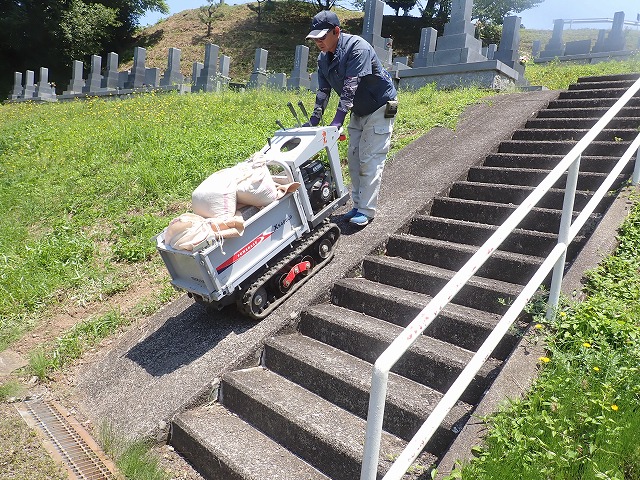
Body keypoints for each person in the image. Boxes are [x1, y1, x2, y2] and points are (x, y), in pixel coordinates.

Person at [305, 10, 398, 227]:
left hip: (380, 106)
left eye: (322, 37)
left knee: (370, 158)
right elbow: (323, 91)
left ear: (336, 31)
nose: (318, 42)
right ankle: (357, 205)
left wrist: (337, 121)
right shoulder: (323, 59)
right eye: (315, 38)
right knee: (354, 158)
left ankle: (366, 210)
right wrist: (314, 121)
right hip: (358, 110)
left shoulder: (358, 47)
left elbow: (350, 88)